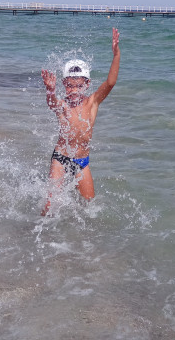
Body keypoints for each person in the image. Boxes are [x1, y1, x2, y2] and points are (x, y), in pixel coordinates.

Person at [40, 28, 121, 216]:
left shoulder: (92, 103)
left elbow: (110, 83)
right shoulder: (63, 105)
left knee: (89, 207)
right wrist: (50, 91)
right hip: (61, 158)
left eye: (79, 86)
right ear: (63, 84)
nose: (74, 90)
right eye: (69, 86)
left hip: (82, 161)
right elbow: (52, 104)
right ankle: (35, 228)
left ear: (87, 84)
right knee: (50, 207)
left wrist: (116, 54)